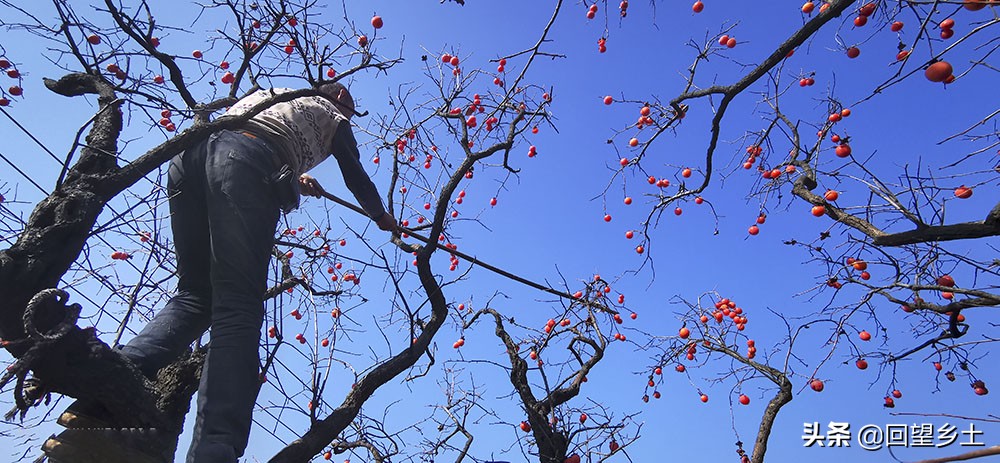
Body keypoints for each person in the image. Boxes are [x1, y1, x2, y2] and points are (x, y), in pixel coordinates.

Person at [52, 82, 396, 463]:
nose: (349, 109)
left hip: (193, 156)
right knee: (238, 307)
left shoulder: (279, 93)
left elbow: (259, 134)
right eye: (349, 103)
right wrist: (381, 216)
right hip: (245, 162)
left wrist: (294, 175)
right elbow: (353, 173)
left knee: (196, 296)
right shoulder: (334, 115)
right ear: (340, 100)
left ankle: (105, 389)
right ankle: (216, 448)